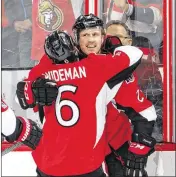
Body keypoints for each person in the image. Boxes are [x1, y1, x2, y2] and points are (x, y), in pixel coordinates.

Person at [16, 29, 143, 176]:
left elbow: (22, 98)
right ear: (74, 46)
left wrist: (29, 87)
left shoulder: (41, 72)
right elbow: (135, 54)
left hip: (48, 163)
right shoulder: (94, 66)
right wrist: (112, 47)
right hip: (86, 164)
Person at [72, 14, 157, 177]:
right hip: (80, 154)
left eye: (95, 34)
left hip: (117, 149)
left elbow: (143, 112)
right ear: (76, 38)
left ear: (103, 38)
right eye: (85, 35)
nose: (91, 41)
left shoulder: (115, 68)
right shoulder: (66, 69)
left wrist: (139, 147)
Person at [106, 20, 163, 142]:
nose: (113, 42)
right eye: (109, 37)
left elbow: (157, 106)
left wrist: (143, 138)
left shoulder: (146, 68)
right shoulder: (93, 65)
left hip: (134, 137)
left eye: (119, 37)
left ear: (129, 41)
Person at [2, 0, 35, 68]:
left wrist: (33, 20)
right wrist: (13, 22)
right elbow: (5, 3)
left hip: (41, 30)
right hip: (15, 33)